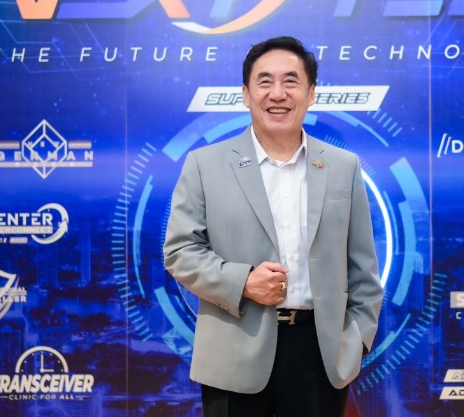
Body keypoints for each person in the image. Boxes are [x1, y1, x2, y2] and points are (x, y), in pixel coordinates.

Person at [163, 36, 383, 416]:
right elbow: (180, 252)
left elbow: (362, 267)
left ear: (311, 94)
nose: (277, 93)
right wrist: (244, 281)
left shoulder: (343, 166)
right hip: (234, 352)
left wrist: (356, 341)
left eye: (290, 81)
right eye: (264, 82)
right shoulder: (204, 164)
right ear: (246, 94)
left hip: (321, 356)